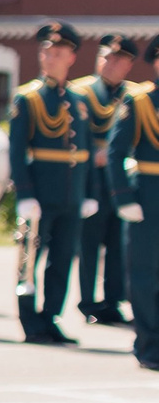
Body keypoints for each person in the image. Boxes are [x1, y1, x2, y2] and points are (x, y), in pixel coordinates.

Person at [11, 21, 89, 344]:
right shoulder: (27, 99)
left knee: (62, 261)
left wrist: (89, 193)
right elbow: (17, 151)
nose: (50, 57)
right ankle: (30, 323)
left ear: (71, 58)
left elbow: (85, 150)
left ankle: (51, 317)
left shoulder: (78, 100)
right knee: (29, 261)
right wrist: (25, 194)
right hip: (40, 194)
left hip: (72, 194)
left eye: (58, 52)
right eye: (47, 51)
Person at [73, 35, 136, 325]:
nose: (111, 64)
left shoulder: (136, 96)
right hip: (90, 178)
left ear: (129, 65)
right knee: (89, 241)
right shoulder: (80, 92)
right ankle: (88, 302)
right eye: (107, 57)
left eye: (118, 59)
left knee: (117, 242)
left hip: (123, 178)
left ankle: (113, 301)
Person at [111, 41, 159, 371]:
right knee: (143, 274)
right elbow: (116, 152)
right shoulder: (139, 100)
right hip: (148, 194)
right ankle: (148, 344)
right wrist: (124, 198)